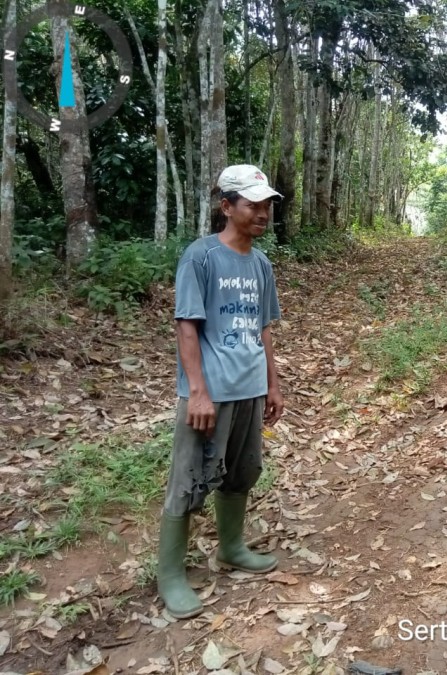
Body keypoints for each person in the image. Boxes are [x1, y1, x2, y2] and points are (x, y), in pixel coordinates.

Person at [157, 164, 285, 619]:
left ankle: (232, 547)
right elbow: (186, 326)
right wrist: (197, 392)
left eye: (267, 204)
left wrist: (272, 382)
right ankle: (171, 574)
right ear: (226, 206)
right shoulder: (201, 257)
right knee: (189, 478)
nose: (262, 213)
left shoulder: (262, 263)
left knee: (242, 472)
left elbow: (264, 327)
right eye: (252, 204)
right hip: (210, 390)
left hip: (250, 388)